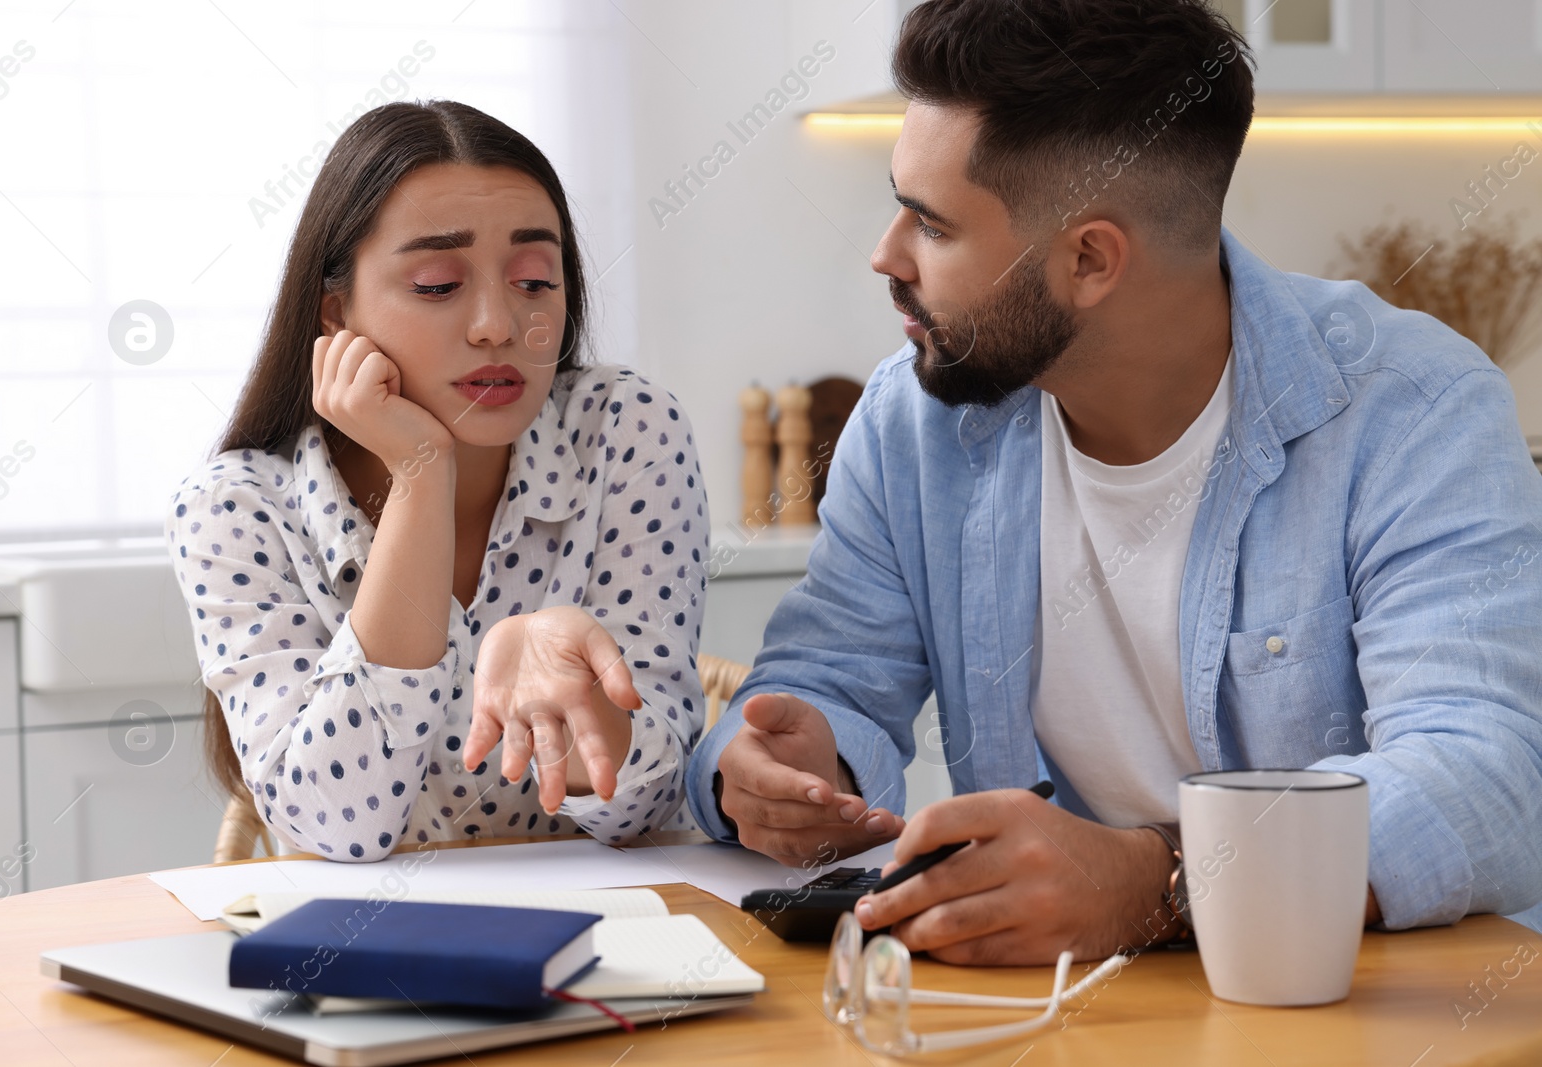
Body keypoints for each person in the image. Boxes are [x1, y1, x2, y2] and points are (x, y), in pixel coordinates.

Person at [686, 0, 1542, 963]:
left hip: (1353, 1004)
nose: (886, 256)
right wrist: (785, 764)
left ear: (1090, 259)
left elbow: (1489, 773)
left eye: (930, 224)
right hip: (1053, 1002)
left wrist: (1159, 883)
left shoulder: (1411, 411)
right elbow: (830, 677)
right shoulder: (915, 420)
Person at [168, 101, 709, 861]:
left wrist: (580, 689)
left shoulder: (626, 431)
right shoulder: (236, 507)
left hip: (602, 943)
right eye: (434, 285)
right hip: (359, 957)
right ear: (335, 314)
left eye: (532, 279)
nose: (498, 323)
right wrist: (421, 475)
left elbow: (650, 801)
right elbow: (339, 825)